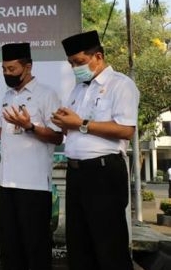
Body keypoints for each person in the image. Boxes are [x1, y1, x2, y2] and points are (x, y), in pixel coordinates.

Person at [51, 30, 139, 270]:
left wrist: (80, 123)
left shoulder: (120, 85)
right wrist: (64, 122)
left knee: (109, 247)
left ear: (98, 56)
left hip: (104, 173)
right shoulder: (78, 89)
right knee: (79, 246)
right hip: (76, 173)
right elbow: (74, 126)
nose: (75, 68)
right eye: (71, 64)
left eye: (79, 62)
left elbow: (125, 130)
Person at [0, 43, 63, 270]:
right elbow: (9, 136)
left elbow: (57, 137)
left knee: (35, 248)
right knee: (10, 247)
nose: (6, 74)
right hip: (7, 181)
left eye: (11, 69)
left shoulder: (46, 94)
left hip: (34, 185)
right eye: (3, 69)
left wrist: (30, 125)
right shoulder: (7, 96)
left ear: (28, 67)